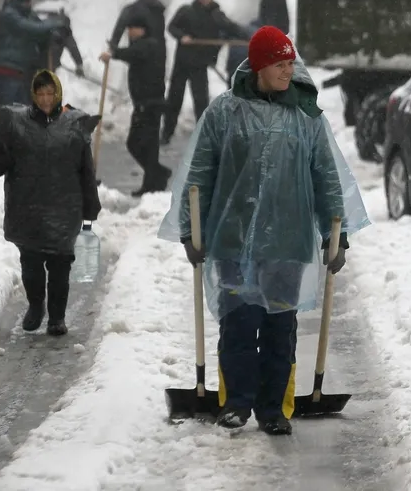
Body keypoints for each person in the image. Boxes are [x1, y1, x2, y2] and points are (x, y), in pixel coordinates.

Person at [158, 26, 369, 435]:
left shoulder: (305, 115)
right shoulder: (224, 111)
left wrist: (335, 233)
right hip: (232, 238)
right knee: (238, 322)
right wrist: (190, 229)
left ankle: (273, 408)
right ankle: (236, 402)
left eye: (291, 63)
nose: (288, 71)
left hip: (287, 241)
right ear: (259, 66)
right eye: (280, 64)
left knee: (279, 326)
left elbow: (326, 177)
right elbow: (199, 174)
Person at [0, 69, 101, 336]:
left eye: (50, 93)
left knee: (59, 266)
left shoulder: (74, 126)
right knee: (30, 265)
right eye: (40, 93)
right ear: (33, 94)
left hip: (64, 209)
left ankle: (56, 317)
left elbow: (86, 171)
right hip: (26, 208)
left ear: (58, 94)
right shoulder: (17, 125)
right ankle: (35, 306)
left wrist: (91, 207)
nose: (45, 99)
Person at [162, 0, 243, 145]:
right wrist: (182, 36)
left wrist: (248, 37)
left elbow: (230, 27)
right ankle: (166, 134)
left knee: (201, 101)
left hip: (199, 64)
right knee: (174, 99)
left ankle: (204, 136)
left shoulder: (216, 14)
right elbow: (171, 27)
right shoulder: (186, 11)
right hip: (182, 63)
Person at [99, 13, 170, 197]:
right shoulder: (144, 45)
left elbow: (134, 53)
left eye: (132, 28)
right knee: (146, 145)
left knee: (137, 143)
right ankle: (153, 181)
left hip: (150, 104)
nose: (129, 32)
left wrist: (113, 53)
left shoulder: (150, 45)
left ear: (142, 29)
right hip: (144, 103)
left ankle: (157, 176)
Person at [0, 0, 64, 107]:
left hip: (22, 73)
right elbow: (33, 28)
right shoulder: (9, 14)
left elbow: (42, 30)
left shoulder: (28, 14)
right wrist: (55, 23)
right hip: (6, 71)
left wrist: (55, 33)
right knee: (8, 112)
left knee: (23, 113)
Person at [38, 7, 85, 76]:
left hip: (46, 65)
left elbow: (73, 48)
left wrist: (79, 65)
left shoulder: (65, 33)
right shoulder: (47, 29)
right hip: (39, 63)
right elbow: (73, 48)